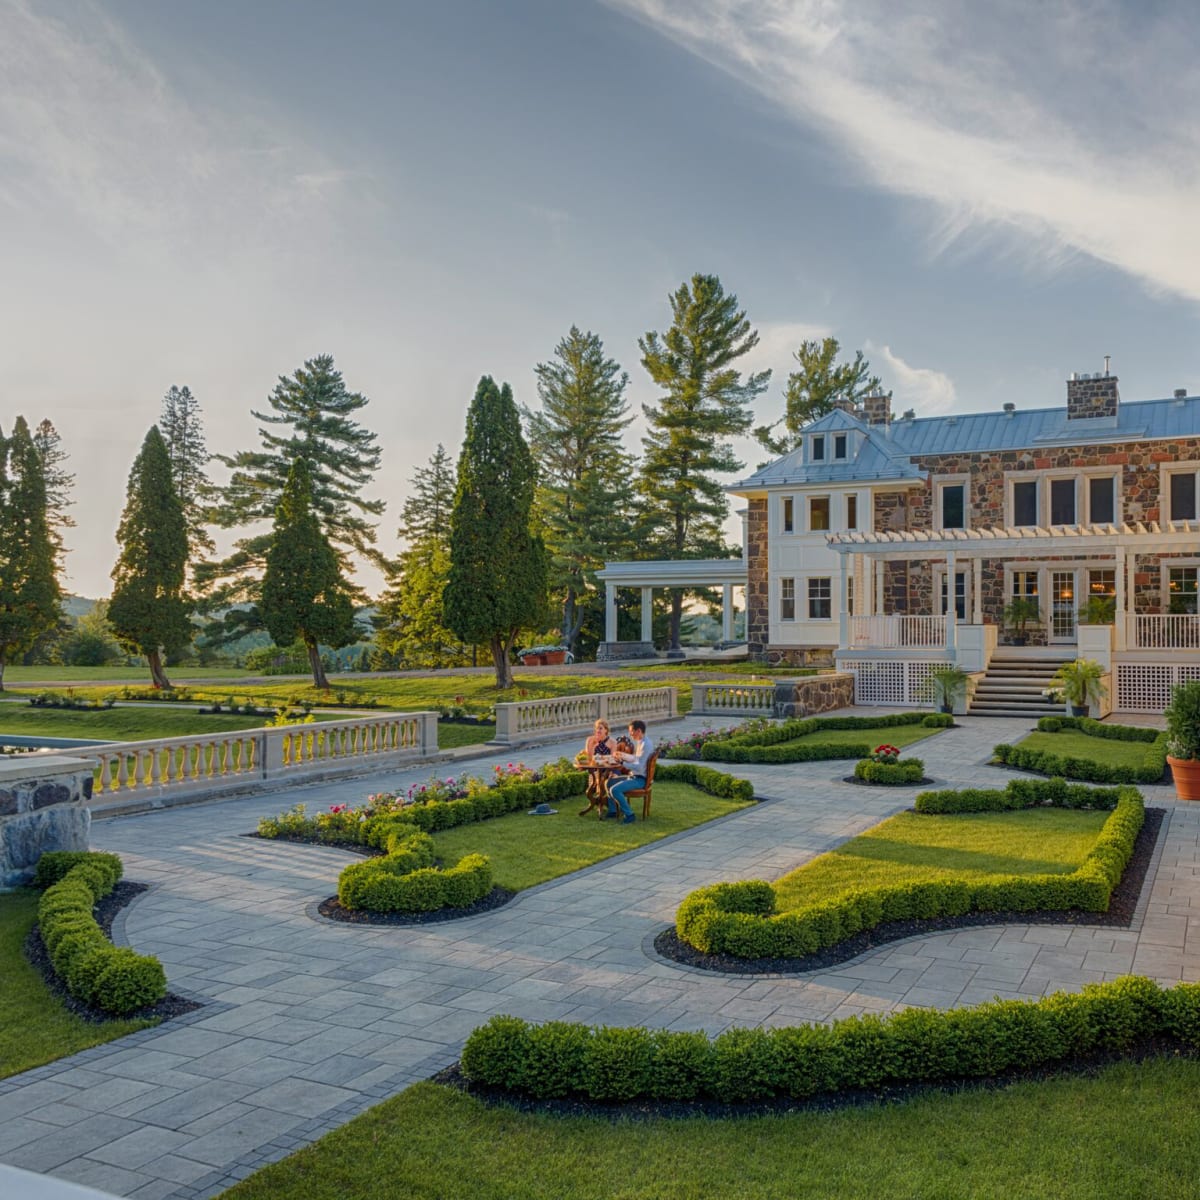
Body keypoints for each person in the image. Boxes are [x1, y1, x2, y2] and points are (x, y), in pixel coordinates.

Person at [605, 719, 654, 824]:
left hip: (640, 780)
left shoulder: (646, 745)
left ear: (638, 731)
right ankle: (613, 811)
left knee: (614, 790)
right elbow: (637, 759)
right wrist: (623, 755)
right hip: (635, 776)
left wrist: (622, 763)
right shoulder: (642, 742)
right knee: (609, 782)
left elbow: (640, 767)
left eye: (631, 731)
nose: (630, 734)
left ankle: (629, 814)